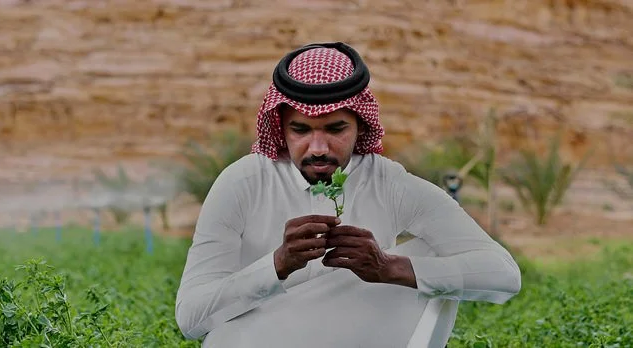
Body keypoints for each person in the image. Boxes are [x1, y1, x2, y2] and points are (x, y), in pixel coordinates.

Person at [173, 42, 522, 348]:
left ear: (361, 125)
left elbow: (504, 274)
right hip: (258, 338)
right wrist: (276, 265)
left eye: (336, 128)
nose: (319, 148)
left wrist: (389, 268)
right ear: (281, 127)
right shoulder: (243, 182)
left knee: (433, 249)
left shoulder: (389, 184)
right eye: (300, 130)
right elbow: (190, 318)